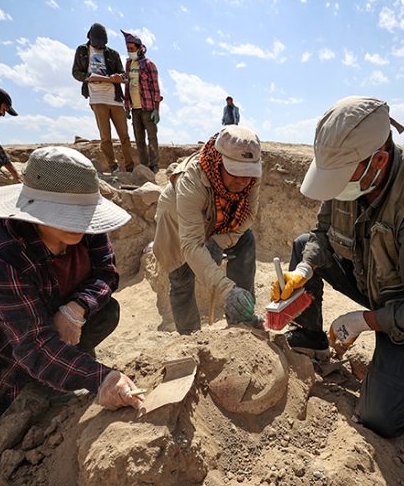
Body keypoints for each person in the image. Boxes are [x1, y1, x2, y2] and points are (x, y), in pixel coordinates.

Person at [276, 96, 404, 439]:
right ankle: (311, 337)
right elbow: (321, 233)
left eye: (340, 179)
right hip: (369, 278)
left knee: (379, 419)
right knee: (305, 245)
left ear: (378, 160)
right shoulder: (348, 172)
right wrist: (303, 270)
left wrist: (364, 321)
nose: (335, 189)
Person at [0, 146, 144, 434]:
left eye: (81, 214)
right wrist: (100, 377)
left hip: (47, 315)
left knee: (106, 310)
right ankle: (46, 376)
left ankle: (62, 370)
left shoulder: (88, 228)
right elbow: (32, 343)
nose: (78, 225)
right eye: (66, 215)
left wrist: (76, 308)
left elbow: (106, 273)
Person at [153, 125, 263, 334]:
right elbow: (191, 245)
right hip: (178, 223)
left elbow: (248, 216)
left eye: (247, 174)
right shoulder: (192, 179)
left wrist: (218, 242)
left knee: (245, 241)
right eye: (236, 172)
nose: (242, 181)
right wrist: (226, 289)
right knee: (181, 278)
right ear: (219, 161)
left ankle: (242, 316)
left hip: (220, 220)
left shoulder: (252, 170)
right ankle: (192, 338)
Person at [72, 22, 137, 175]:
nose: (100, 46)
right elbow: (76, 72)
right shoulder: (82, 50)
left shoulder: (112, 54)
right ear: (90, 38)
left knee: (124, 136)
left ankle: (130, 167)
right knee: (105, 137)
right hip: (97, 98)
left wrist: (118, 77)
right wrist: (89, 78)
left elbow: (124, 75)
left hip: (114, 97)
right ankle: (113, 167)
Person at [122, 30, 162, 173]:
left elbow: (156, 88)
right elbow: (127, 86)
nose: (129, 51)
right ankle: (144, 167)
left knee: (152, 137)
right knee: (139, 140)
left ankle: (154, 165)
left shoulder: (149, 65)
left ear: (139, 48)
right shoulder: (128, 65)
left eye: (131, 49)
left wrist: (156, 109)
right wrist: (127, 107)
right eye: (127, 49)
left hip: (148, 108)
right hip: (135, 108)